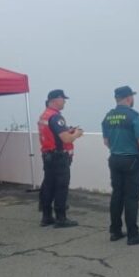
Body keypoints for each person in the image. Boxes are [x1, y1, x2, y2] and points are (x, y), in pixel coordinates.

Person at [101, 85, 139, 245]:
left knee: (117, 195)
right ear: (129, 98)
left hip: (115, 159)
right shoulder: (134, 116)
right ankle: (133, 235)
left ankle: (115, 231)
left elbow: (107, 141)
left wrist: (117, 149)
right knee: (131, 197)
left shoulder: (108, 117)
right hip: (132, 160)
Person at [38, 89, 84, 227]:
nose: (64, 101)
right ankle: (61, 218)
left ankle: (46, 217)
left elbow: (53, 133)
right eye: (62, 99)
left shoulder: (45, 115)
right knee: (61, 187)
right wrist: (76, 133)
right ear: (54, 100)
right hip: (58, 157)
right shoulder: (56, 117)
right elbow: (66, 138)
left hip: (48, 155)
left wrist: (67, 130)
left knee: (48, 186)